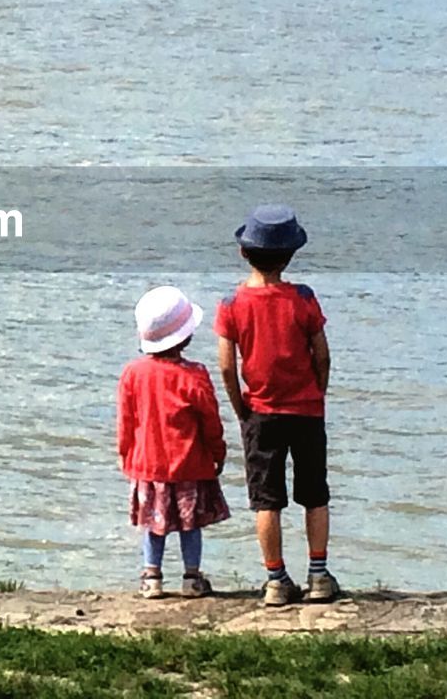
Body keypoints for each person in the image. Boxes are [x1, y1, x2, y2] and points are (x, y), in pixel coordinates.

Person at [213, 205, 339, 606]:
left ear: (243, 253)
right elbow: (322, 355)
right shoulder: (303, 298)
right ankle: (318, 574)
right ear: (290, 256)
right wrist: (317, 392)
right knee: (314, 493)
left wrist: (240, 408)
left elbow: (226, 366)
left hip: (260, 411)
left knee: (266, 499)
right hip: (305, 410)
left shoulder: (232, 303)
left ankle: (275, 580)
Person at [118, 285, 230, 599]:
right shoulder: (194, 375)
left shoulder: (132, 373)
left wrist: (125, 453)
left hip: (148, 465)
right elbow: (211, 421)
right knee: (190, 524)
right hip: (190, 464)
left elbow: (127, 421)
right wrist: (218, 452)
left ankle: (151, 577)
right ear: (187, 337)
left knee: (154, 524)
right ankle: (191, 577)